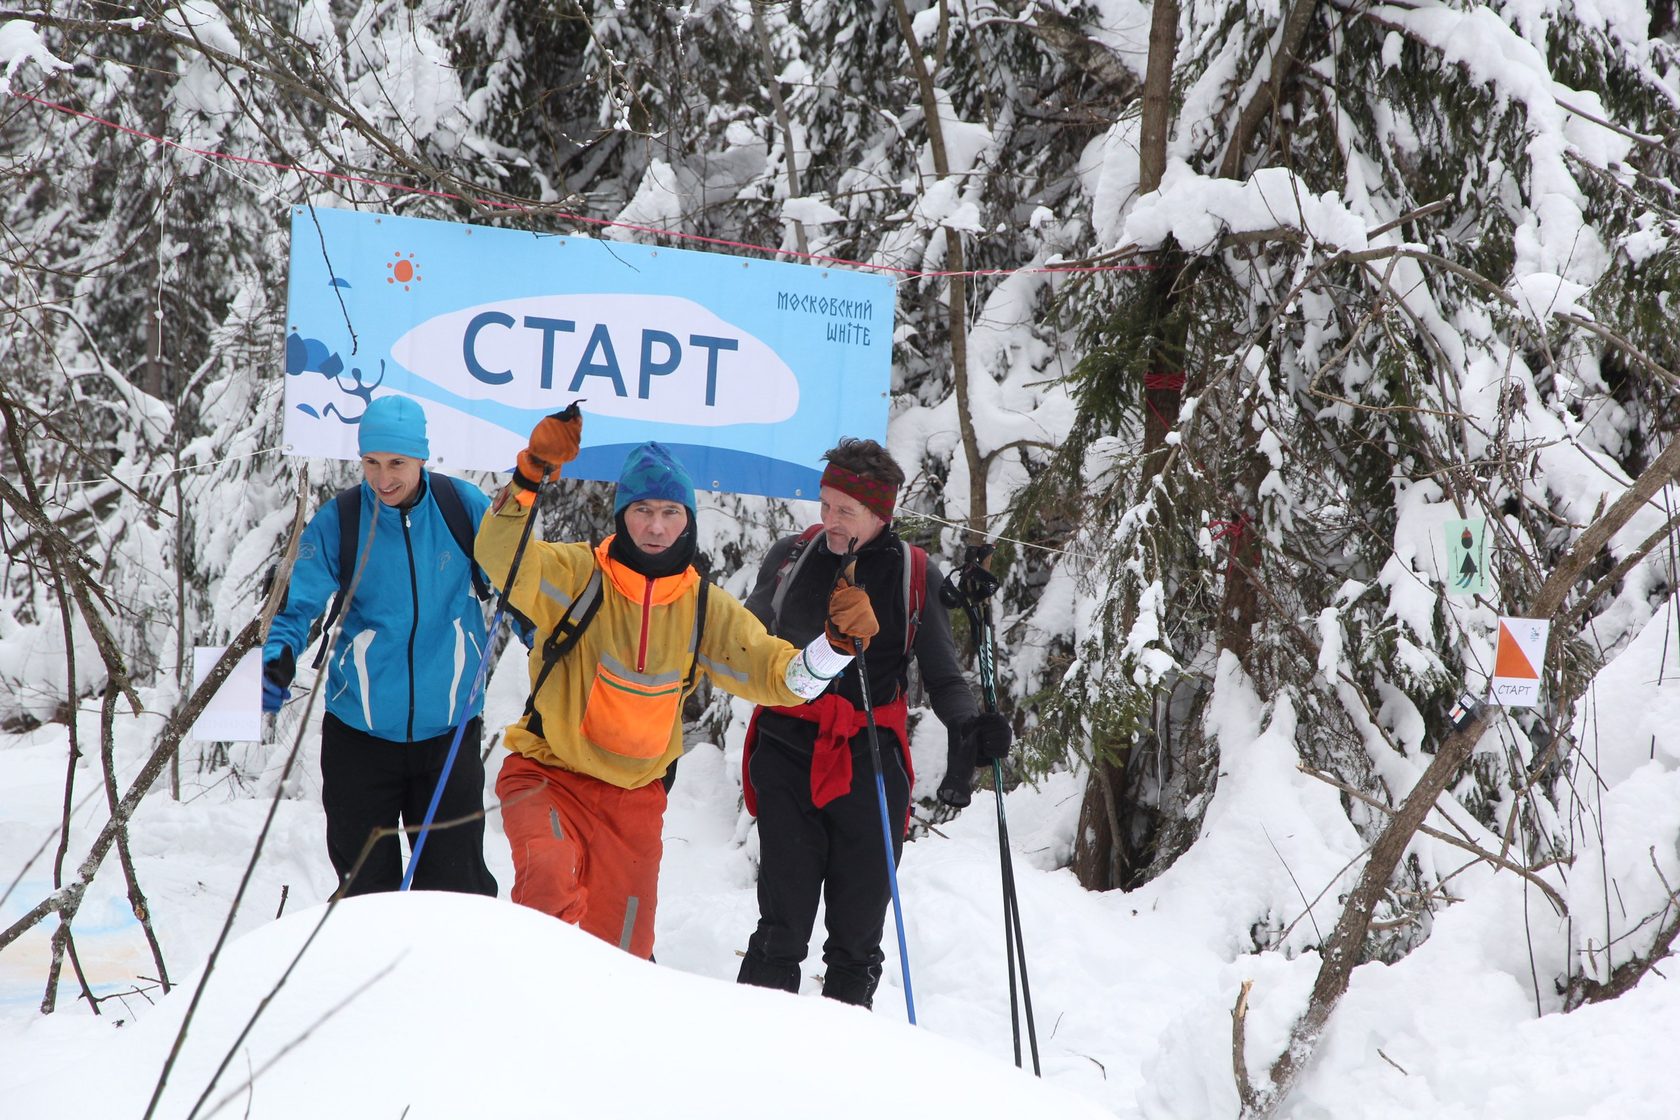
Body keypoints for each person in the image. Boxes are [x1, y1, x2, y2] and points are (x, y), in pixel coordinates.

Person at [476, 412, 878, 960]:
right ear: (623, 515)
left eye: (670, 512)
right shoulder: (578, 576)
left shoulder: (702, 608)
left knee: (622, 957)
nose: (657, 526)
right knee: (547, 883)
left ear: (687, 519)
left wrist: (834, 648)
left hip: (633, 802)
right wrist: (528, 478)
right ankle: (524, 1022)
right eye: (642, 510)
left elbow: (780, 677)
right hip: (549, 774)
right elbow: (500, 557)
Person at [735, 438, 1008, 1008]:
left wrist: (971, 727)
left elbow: (943, 677)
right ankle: (754, 1050)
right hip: (787, 748)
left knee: (858, 937)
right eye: (826, 504)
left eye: (846, 511)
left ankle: (845, 1064)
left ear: (881, 514)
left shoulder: (912, 573)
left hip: (870, 762)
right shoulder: (791, 556)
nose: (830, 520)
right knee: (782, 926)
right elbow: (741, 642)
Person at [262, 395, 498, 898]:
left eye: (397, 463)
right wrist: (278, 655)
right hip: (360, 737)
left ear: (421, 458)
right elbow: (296, 606)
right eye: (371, 462)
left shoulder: (462, 509)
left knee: (457, 888)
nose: (383, 477)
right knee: (366, 891)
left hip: (448, 734)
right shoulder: (340, 521)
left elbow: (518, 588)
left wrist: (548, 645)